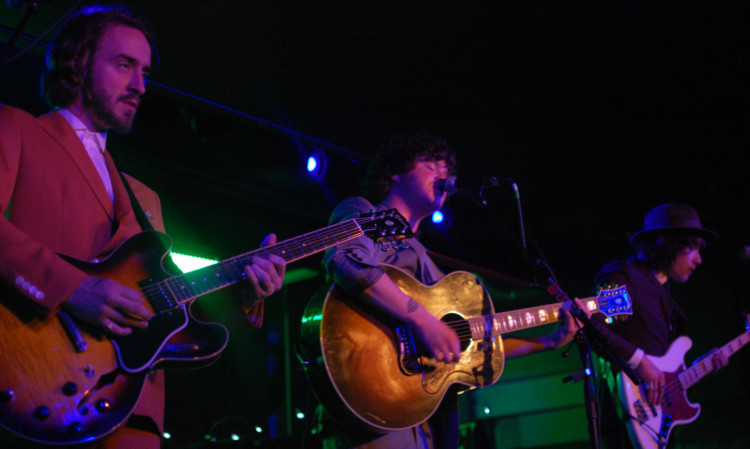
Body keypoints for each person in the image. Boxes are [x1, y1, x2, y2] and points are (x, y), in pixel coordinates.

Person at [0, 4, 285, 448]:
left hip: (135, 407)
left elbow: (169, 306)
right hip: (37, 385)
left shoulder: (144, 197)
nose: (140, 85)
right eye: (124, 65)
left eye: (145, 72)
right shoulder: (16, 128)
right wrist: (74, 287)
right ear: (76, 64)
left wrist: (245, 291)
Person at [316, 131, 579, 449]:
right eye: (430, 164)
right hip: (368, 402)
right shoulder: (362, 211)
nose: (444, 174)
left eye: (447, 169)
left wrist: (549, 341)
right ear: (396, 172)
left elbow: (476, 344)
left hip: (417, 416)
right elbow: (345, 261)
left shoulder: (427, 262)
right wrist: (423, 321)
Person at [588, 203, 724, 448]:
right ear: (667, 242)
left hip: (659, 420)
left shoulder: (664, 292)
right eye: (692, 247)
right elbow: (593, 325)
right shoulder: (624, 276)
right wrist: (639, 360)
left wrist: (701, 367)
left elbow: (663, 366)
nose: (699, 259)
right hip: (625, 417)